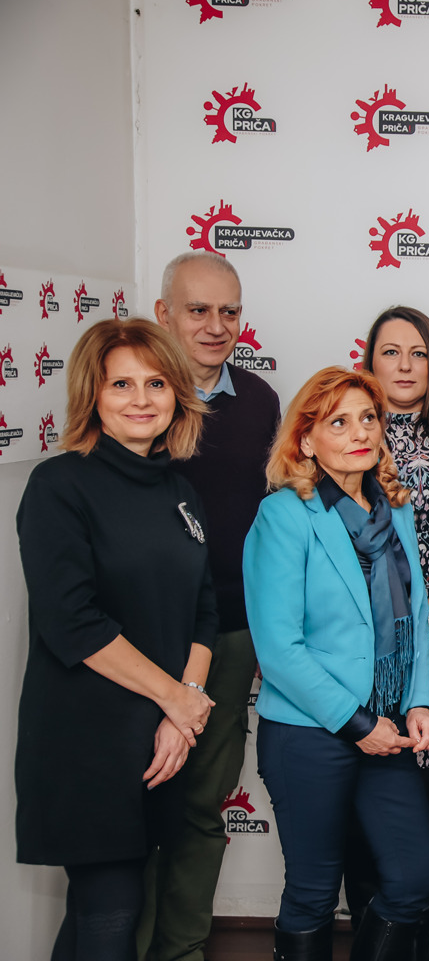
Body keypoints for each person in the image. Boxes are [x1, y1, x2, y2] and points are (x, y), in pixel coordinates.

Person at [15, 318, 216, 961]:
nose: (141, 399)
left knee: (96, 913)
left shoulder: (179, 489)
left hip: (159, 736)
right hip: (85, 738)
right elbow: (72, 621)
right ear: (91, 395)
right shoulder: (58, 485)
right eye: (120, 384)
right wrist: (177, 702)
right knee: (112, 907)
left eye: (156, 383)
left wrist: (182, 710)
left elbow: (203, 612)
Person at [244, 367, 429, 961]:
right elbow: (279, 650)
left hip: (386, 724)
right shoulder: (284, 515)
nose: (360, 433)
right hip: (311, 731)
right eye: (338, 422)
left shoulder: (394, 509)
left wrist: (418, 700)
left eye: (368, 418)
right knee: (313, 892)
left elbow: (414, 619)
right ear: (305, 440)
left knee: (414, 878)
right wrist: (358, 724)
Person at [139, 250, 280, 961]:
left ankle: (181, 950)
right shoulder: (135, 397)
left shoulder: (259, 400)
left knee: (202, 804)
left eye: (229, 311)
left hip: (228, 634)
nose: (216, 326)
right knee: (133, 807)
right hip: (139, 642)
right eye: (198, 310)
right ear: (164, 313)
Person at [342, 306, 429, 958]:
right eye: (390, 351)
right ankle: (373, 939)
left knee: (426, 800)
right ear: (369, 361)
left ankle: (412, 938)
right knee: (361, 796)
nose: (404, 365)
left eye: (418, 353)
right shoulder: (345, 430)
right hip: (358, 649)